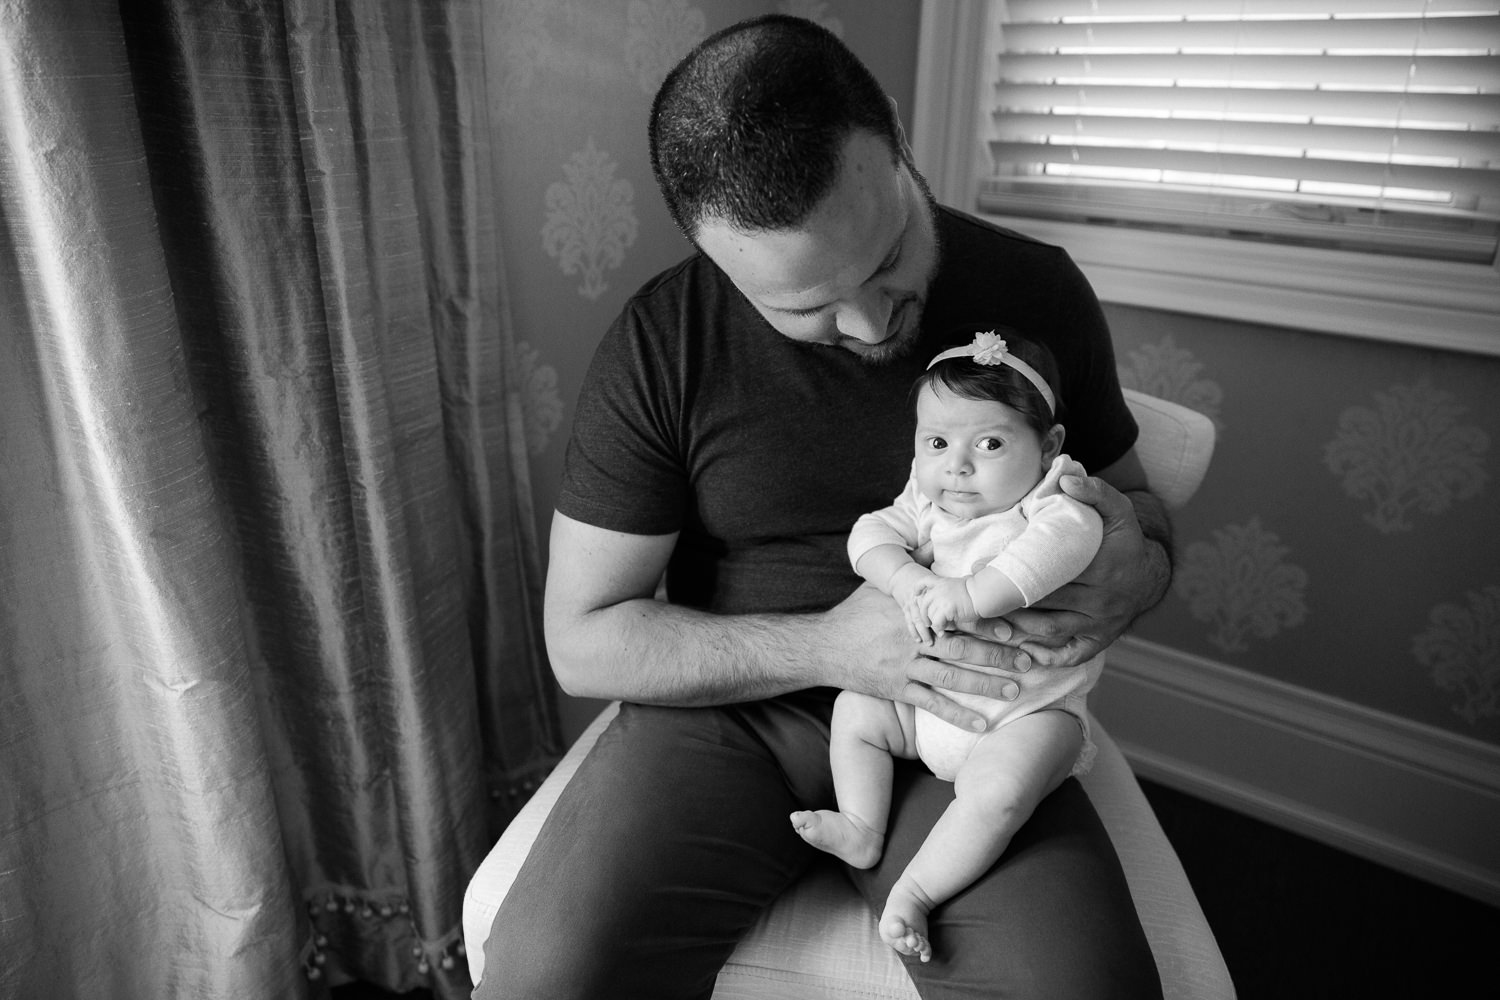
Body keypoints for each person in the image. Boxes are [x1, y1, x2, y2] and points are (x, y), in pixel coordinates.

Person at [477, 14, 1171, 999]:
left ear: (891, 136)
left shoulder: (1035, 292)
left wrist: (1135, 570)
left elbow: (1140, 508)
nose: (871, 323)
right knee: (547, 978)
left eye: (887, 262)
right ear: (718, 261)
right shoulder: (662, 344)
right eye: (805, 308)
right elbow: (583, 640)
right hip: (731, 718)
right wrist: (829, 648)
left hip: (978, 722)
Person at [791, 329, 1107, 965]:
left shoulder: (1053, 503)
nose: (957, 466)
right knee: (857, 709)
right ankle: (861, 827)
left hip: (1026, 717)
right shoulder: (927, 497)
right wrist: (907, 577)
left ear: (1048, 447)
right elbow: (868, 535)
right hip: (926, 707)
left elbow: (1067, 545)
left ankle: (915, 891)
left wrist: (970, 595)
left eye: (989, 443)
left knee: (1000, 794)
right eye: (937, 442)